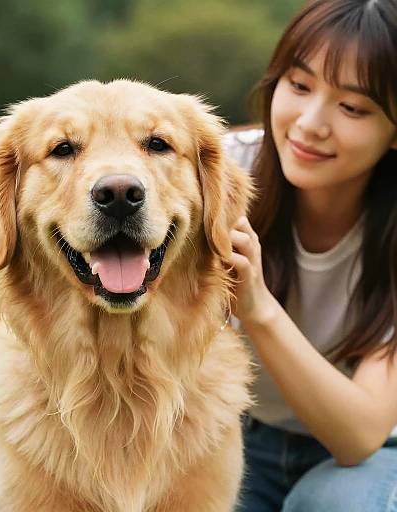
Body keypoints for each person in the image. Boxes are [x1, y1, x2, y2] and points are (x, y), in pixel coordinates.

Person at [223, 0, 397, 510]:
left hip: (365, 457)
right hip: (235, 428)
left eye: (353, 108)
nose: (310, 123)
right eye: (298, 86)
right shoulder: (222, 170)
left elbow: (359, 435)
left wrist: (257, 308)